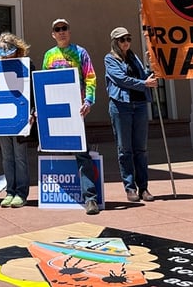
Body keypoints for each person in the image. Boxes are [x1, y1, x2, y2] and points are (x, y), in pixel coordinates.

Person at [41, 19, 100, 215]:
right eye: (57, 29)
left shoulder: (80, 52)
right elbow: (43, 81)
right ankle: (58, 196)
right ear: (53, 34)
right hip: (56, 113)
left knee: (82, 153)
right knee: (54, 151)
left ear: (69, 31)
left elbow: (90, 77)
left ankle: (90, 198)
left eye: (64, 28)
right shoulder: (49, 56)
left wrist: (88, 101)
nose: (61, 32)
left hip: (76, 111)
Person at [104, 27, 159, 203]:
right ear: (115, 42)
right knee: (125, 149)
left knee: (141, 148)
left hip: (140, 104)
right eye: (122, 39)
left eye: (128, 38)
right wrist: (144, 83)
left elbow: (145, 77)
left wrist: (151, 66)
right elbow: (121, 79)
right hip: (121, 106)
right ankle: (130, 188)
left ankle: (143, 187)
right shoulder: (110, 59)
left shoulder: (134, 57)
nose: (126, 42)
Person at [0, 33, 34, 209]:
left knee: (19, 156)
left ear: (16, 50)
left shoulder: (27, 65)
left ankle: (21, 193)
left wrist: (32, 112)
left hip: (20, 117)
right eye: (3, 51)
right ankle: (10, 191)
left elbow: (32, 90)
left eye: (9, 51)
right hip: (2, 118)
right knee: (7, 157)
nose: (6, 55)